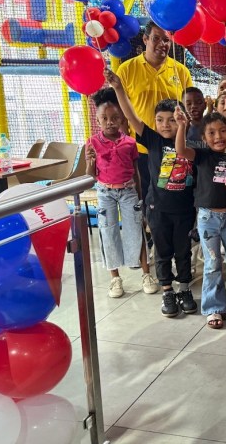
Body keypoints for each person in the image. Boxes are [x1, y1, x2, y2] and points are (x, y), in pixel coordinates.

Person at [106, 70, 197, 318]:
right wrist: (118, 88)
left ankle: (184, 289)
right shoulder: (153, 140)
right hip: (158, 209)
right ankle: (167, 290)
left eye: (172, 120)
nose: (166, 124)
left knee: (183, 251)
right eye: (160, 120)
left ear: (182, 121)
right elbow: (130, 115)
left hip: (184, 210)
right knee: (163, 252)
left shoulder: (190, 145)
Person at [175, 107, 226, 329]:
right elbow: (181, 150)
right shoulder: (201, 155)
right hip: (208, 218)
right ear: (203, 137)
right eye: (211, 133)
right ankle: (214, 307)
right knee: (212, 263)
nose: (218, 136)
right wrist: (182, 125)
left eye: (223, 130)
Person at [85, 88, 158, 298]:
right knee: (108, 233)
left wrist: (140, 197)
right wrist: (90, 161)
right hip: (105, 192)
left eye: (115, 117)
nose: (110, 122)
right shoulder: (92, 143)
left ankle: (146, 274)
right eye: (105, 118)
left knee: (136, 230)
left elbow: (136, 173)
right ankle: (115, 278)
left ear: (122, 119)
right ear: (98, 120)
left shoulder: (130, 143)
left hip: (128, 191)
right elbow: (90, 176)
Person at [117, 22, 193, 202]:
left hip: (174, 149)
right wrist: (124, 148)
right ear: (145, 39)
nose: (162, 44)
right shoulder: (126, 70)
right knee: (145, 198)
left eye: (166, 40)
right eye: (156, 38)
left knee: (176, 198)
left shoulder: (181, 71)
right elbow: (122, 114)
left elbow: (189, 110)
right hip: (141, 150)